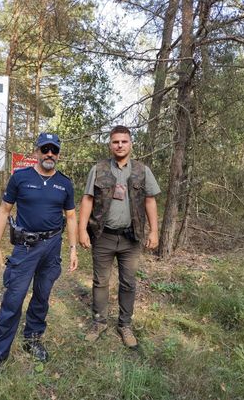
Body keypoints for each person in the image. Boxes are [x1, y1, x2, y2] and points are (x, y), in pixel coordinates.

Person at [0, 132, 78, 384]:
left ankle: (32, 340)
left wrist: (72, 248)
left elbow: (70, 216)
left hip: (52, 247)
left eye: (54, 150)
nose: (50, 154)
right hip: (25, 249)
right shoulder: (20, 177)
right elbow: (4, 211)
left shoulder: (65, 184)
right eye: (45, 149)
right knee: (13, 300)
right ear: (36, 151)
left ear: (58, 154)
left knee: (41, 297)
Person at [78, 125, 160, 348]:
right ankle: (99, 322)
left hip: (130, 238)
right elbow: (87, 199)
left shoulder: (142, 171)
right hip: (103, 236)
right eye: (116, 141)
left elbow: (150, 200)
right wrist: (82, 229)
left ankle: (125, 325)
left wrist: (154, 231)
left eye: (124, 141)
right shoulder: (99, 169)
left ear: (130, 144)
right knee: (100, 281)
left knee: (128, 283)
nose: (120, 145)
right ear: (110, 144)